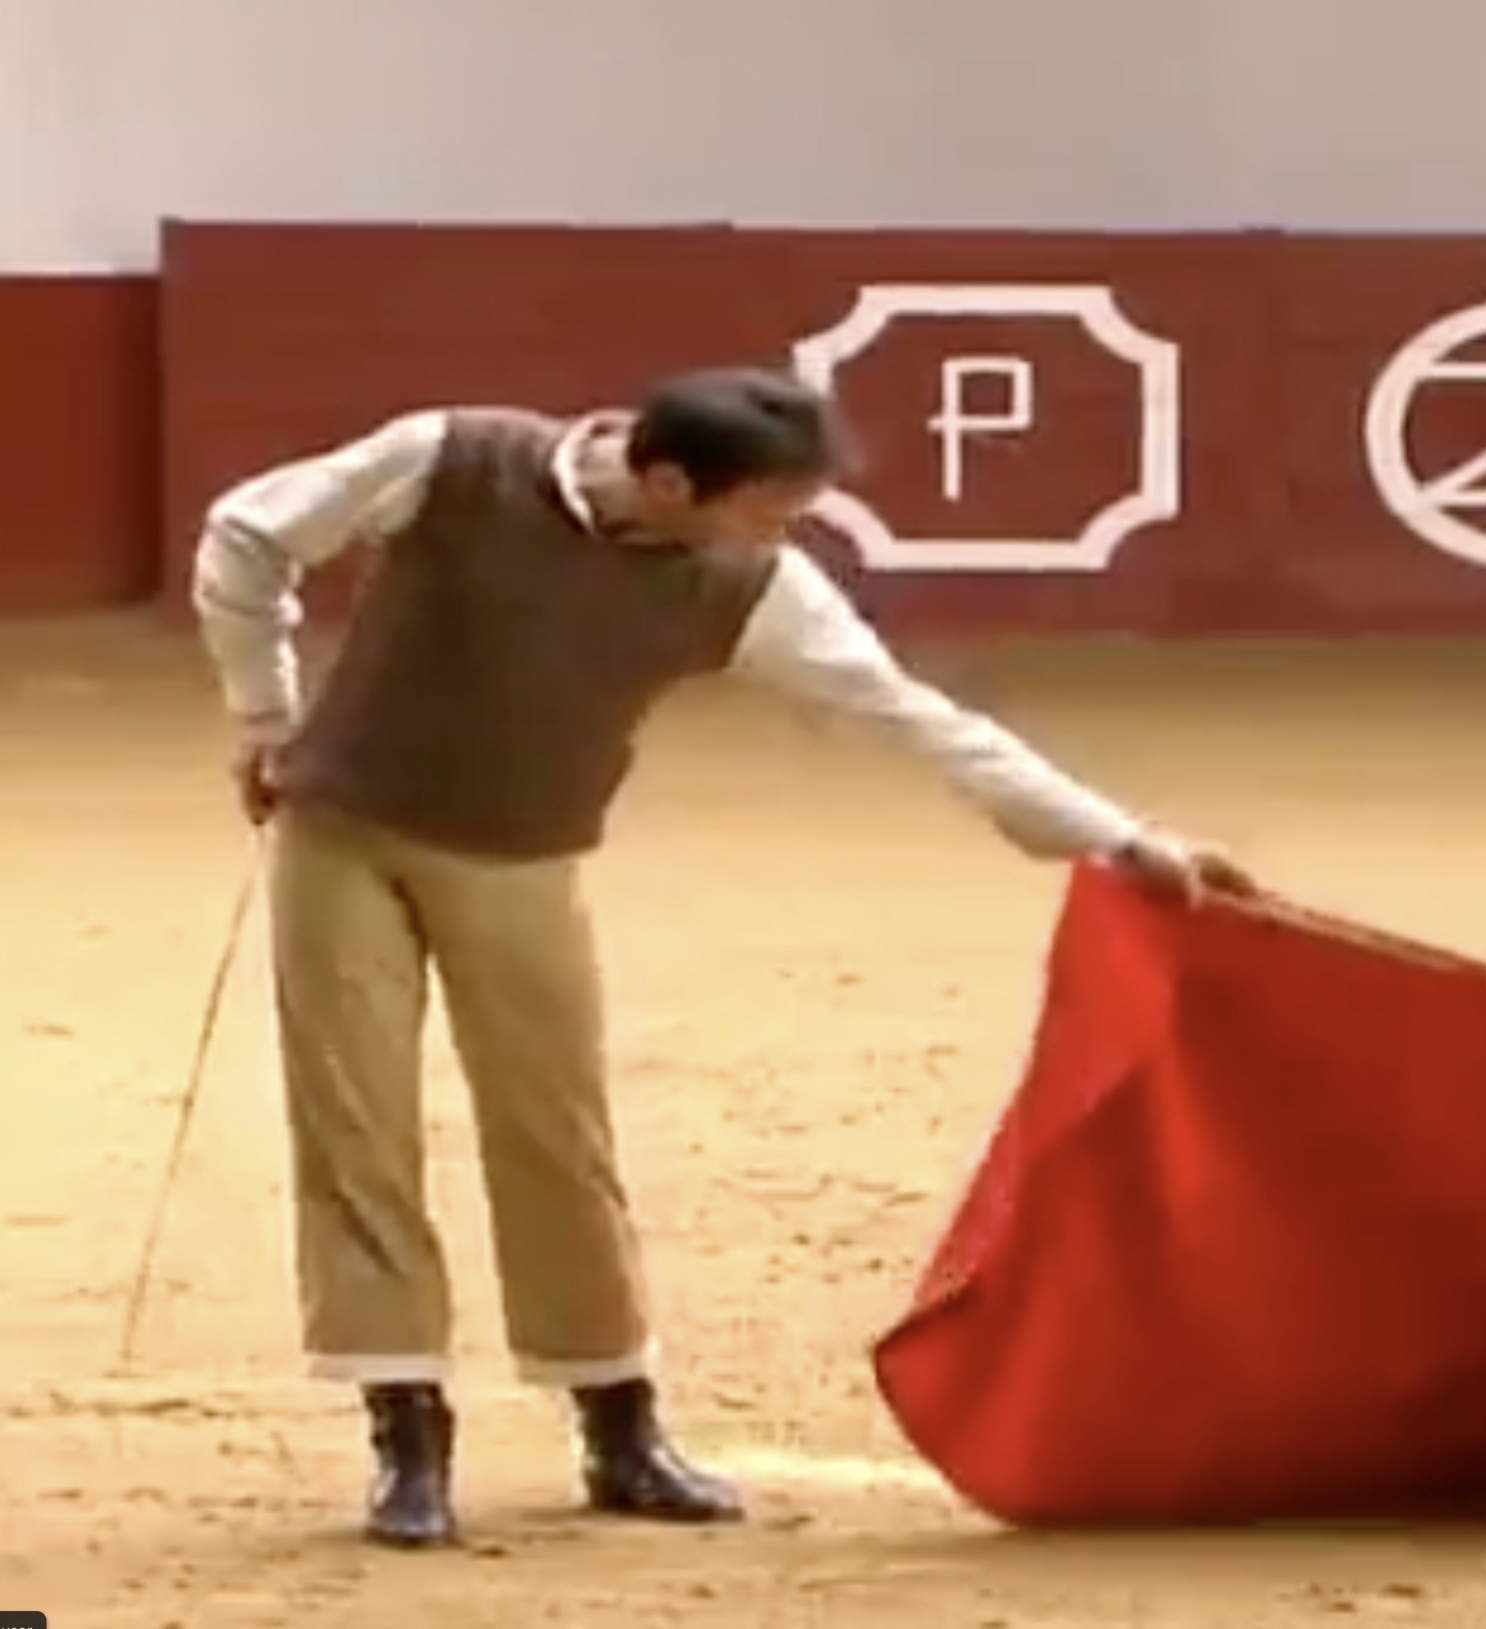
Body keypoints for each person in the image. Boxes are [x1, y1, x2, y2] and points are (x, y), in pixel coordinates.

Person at [188, 367, 1254, 1549]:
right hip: (341, 838)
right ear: (667, 480)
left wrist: (1119, 838)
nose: (782, 535)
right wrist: (265, 718)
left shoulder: (750, 583)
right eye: (768, 508)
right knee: (355, 1130)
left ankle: (618, 1421)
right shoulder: (454, 456)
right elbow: (248, 532)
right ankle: (408, 1436)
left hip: (522, 861)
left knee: (558, 1132)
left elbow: (913, 717)